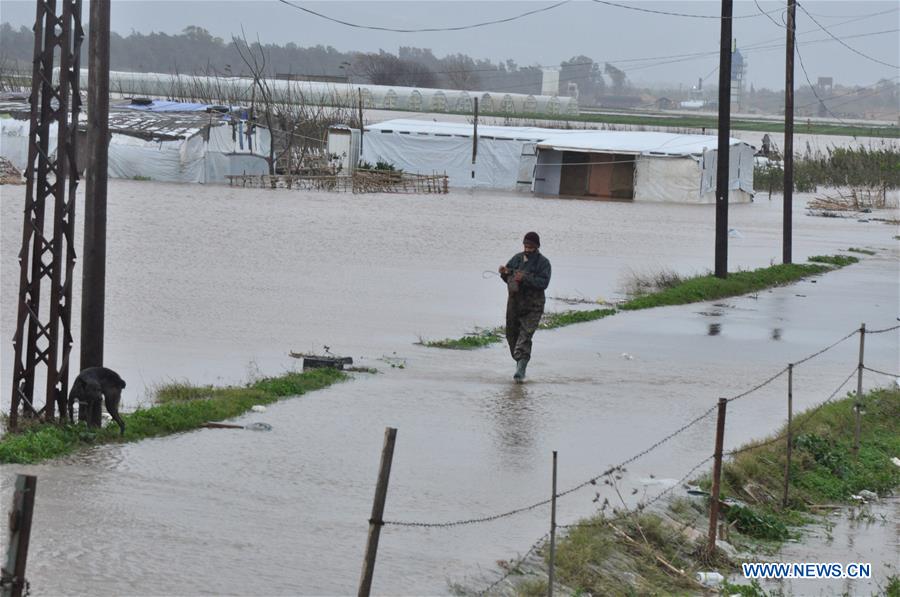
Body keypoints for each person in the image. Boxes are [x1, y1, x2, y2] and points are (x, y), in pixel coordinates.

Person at [498, 231, 551, 382]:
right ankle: (520, 362)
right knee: (511, 335)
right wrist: (504, 273)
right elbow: (508, 277)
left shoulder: (544, 263)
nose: (527, 248)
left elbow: (544, 283)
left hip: (534, 305)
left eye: (530, 246)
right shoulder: (516, 259)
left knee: (525, 336)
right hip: (514, 303)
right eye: (525, 245)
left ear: (537, 246)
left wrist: (525, 278)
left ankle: (521, 370)